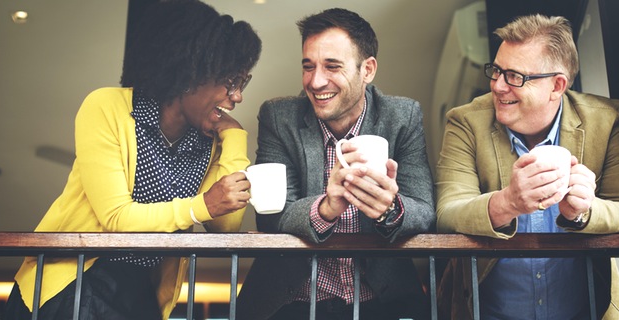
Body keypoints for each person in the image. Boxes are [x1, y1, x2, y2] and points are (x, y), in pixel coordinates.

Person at [3, 1, 262, 319]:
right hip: (75, 280)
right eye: (231, 82)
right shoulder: (107, 107)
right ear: (190, 75)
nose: (237, 96)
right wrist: (201, 205)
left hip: (139, 290)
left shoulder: (206, 140)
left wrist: (235, 138)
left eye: (242, 83)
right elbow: (116, 218)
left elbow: (225, 225)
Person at [236, 8, 435, 319]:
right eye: (308, 66)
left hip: (381, 301)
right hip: (292, 301)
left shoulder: (402, 116)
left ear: (367, 69)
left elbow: (425, 210)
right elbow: (271, 217)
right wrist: (326, 208)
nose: (316, 82)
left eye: (332, 67)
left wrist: (390, 208)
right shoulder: (279, 116)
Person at [436, 14, 619, 320]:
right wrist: (507, 202)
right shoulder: (465, 121)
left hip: (587, 312)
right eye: (496, 71)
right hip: (488, 314)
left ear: (556, 85)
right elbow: (447, 213)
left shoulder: (608, 120)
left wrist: (583, 211)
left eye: (514, 76)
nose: (498, 86)